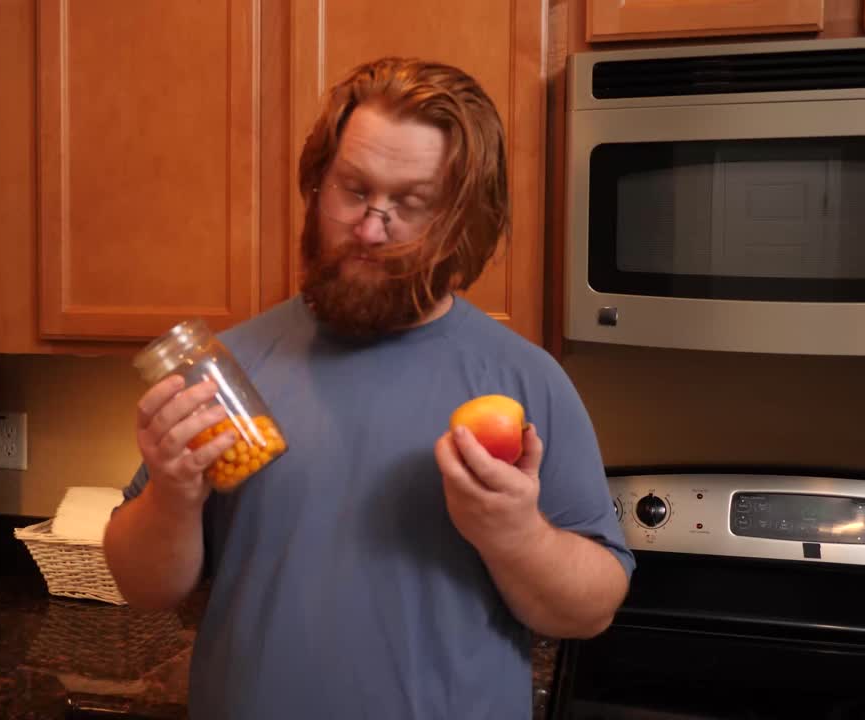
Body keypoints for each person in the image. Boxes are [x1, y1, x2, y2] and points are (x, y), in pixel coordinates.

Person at [105, 57, 633, 719]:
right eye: (353, 189)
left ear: (461, 222)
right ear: (317, 183)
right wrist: (171, 497)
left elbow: (592, 610)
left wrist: (515, 534)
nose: (370, 227)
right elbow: (142, 586)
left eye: (410, 205)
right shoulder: (229, 370)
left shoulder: (524, 382)